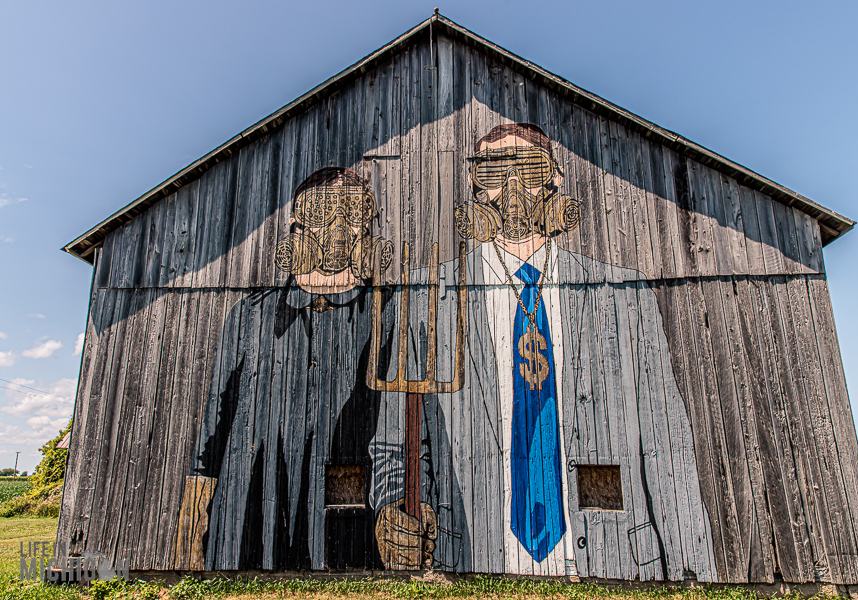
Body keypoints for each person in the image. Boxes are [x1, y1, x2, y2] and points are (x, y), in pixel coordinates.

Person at [369, 123, 717, 579]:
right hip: (470, 563)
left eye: (528, 170)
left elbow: (668, 446)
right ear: (476, 191)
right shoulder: (426, 298)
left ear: (555, 181)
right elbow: (394, 445)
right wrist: (394, 508)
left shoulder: (622, 295)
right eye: (493, 174)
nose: (512, 190)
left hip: (615, 565)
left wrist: (694, 572)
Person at [173, 167, 397, 571]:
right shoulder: (250, 314)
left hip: (344, 523)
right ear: (295, 226)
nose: (338, 225)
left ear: (369, 227)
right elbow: (215, 422)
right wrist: (191, 528)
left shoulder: (389, 311)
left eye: (354, 211)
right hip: (249, 513)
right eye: (321, 210)